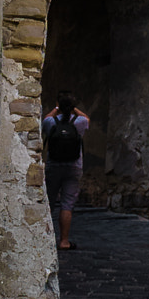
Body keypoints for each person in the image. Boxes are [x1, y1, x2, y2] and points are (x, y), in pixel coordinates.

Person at [42, 93, 89, 250]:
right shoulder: (79, 122)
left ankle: (43, 237)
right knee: (67, 204)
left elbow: (45, 119)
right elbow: (87, 118)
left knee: (48, 201)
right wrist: (73, 109)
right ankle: (64, 241)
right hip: (73, 167)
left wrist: (56, 108)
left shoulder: (51, 121)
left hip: (53, 166)